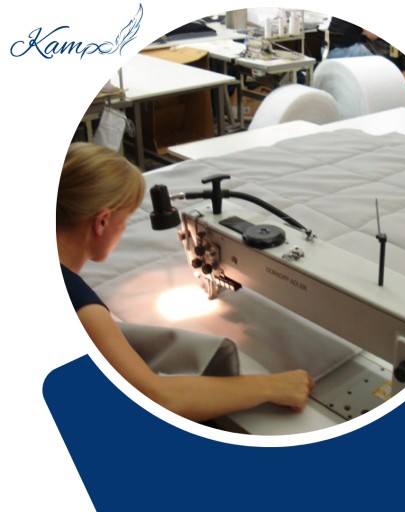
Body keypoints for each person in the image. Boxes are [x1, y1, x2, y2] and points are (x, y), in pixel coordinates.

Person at [56, 142, 315, 424]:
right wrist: (272, 386)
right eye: (126, 219)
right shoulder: (80, 303)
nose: (125, 228)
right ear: (102, 222)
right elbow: (158, 397)